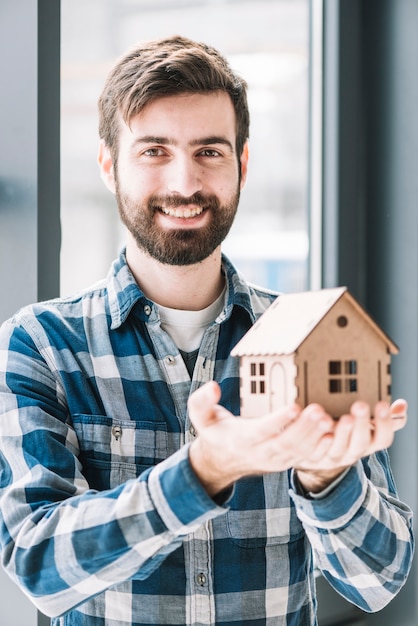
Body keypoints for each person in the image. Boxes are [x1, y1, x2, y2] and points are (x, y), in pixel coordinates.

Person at [0, 35, 414, 626]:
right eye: (154, 151)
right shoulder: (39, 345)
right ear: (109, 164)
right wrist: (203, 472)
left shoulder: (305, 338)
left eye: (210, 152)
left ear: (242, 164)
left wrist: (326, 479)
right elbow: (38, 563)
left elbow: (379, 582)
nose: (185, 183)